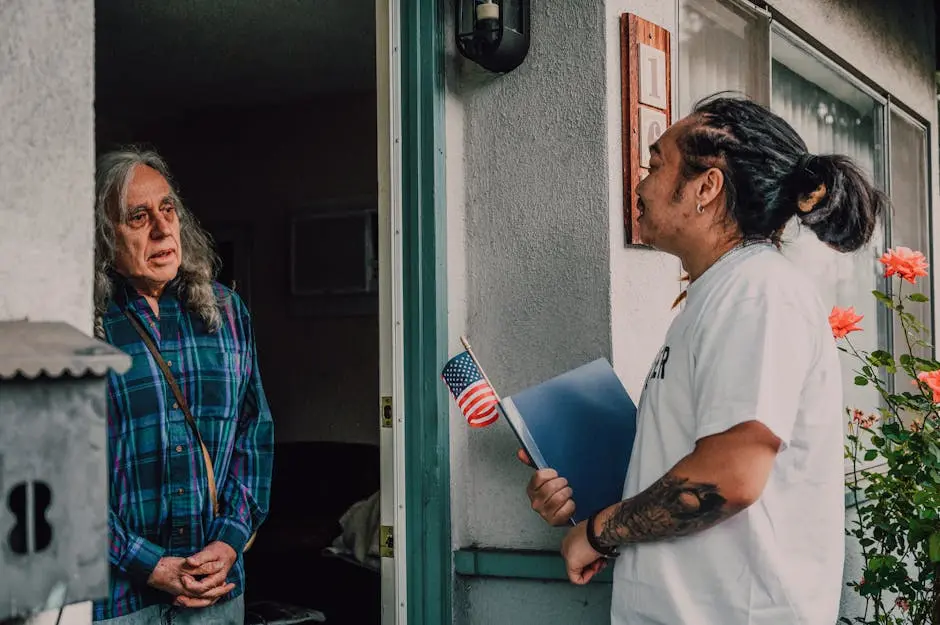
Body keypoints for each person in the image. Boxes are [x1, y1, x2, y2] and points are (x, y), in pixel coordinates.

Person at [522, 95, 885, 624]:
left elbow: (727, 480)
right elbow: (697, 468)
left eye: (655, 164)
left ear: (706, 188)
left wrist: (601, 531)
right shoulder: (721, 295)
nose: (641, 185)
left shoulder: (757, 293)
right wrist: (581, 489)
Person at [91, 148, 274, 623]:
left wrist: (229, 540)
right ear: (103, 236)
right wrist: (148, 564)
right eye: (138, 216)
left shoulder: (228, 313)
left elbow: (254, 438)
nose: (161, 227)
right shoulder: (79, 323)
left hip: (218, 597)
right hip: (116, 605)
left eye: (167, 208)